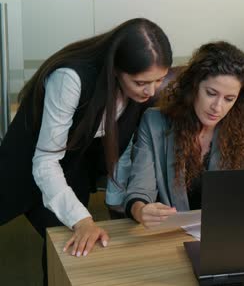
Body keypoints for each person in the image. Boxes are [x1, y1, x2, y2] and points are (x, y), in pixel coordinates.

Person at [0, 18, 173, 282]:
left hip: (71, 165)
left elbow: (122, 151)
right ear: (116, 68)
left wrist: (119, 206)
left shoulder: (140, 92)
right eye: (141, 83)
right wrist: (82, 220)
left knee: (71, 248)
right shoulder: (71, 77)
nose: (150, 91)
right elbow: (45, 160)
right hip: (27, 163)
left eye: (159, 80)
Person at [121, 41, 244, 227]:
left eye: (229, 99)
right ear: (194, 86)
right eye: (211, 93)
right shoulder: (154, 123)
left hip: (231, 230)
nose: (217, 107)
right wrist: (140, 210)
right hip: (173, 234)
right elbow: (140, 189)